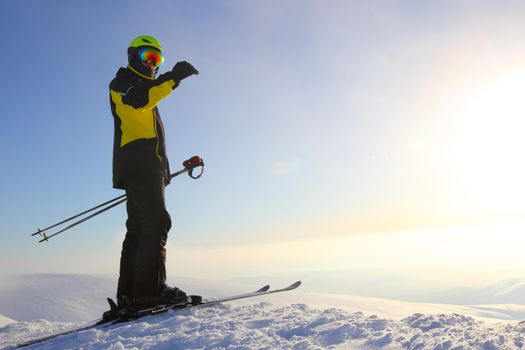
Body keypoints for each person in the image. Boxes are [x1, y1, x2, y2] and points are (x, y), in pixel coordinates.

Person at [109, 35, 198, 310]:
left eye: (157, 60)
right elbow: (141, 99)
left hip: (145, 166)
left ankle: (130, 295)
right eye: (148, 56)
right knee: (157, 222)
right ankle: (150, 293)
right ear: (133, 55)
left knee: (138, 228)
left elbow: (150, 134)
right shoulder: (123, 84)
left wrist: (164, 171)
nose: (152, 64)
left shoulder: (142, 89)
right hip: (139, 164)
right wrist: (174, 77)